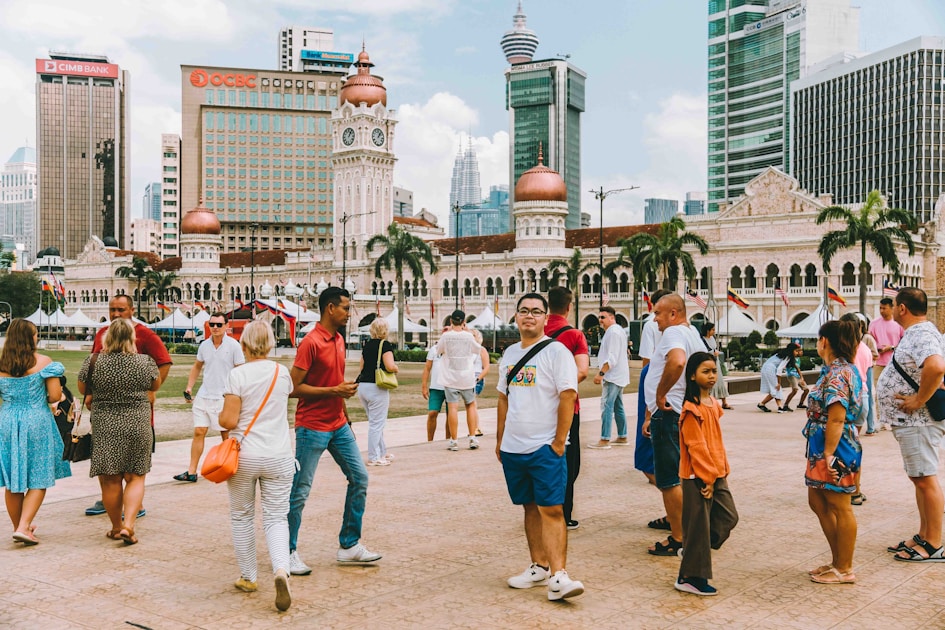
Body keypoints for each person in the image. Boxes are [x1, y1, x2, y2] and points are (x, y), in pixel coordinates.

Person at [287, 287, 381, 576]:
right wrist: (334, 391)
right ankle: (287, 551)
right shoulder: (311, 342)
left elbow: (336, 382)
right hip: (311, 427)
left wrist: (345, 415)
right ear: (330, 308)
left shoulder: (339, 340)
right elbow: (292, 388)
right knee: (300, 491)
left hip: (338, 424)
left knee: (360, 477)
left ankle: (349, 545)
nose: (349, 313)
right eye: (345, 308)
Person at [497, 293, 583, 601]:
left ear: (546, 318)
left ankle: (559, 575)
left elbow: (568, 395)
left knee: (552, 508)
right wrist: (499, 439)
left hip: (544, 446)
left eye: (536, 311)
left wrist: (559, 441)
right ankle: (539, 566)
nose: (529, 316)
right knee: (529, 506)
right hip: (513, 447)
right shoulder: (508, 354)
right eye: (523, 311)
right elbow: (504, 398)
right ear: (516, 316)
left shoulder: (557, 352)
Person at [218, 320, 295, 612]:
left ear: (244, 344)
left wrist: (219, 414)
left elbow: (228, 421)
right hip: (278, 454)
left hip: (244, 455)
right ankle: (280, 569)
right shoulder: (282, 372)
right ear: (271, 343)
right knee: (277, 517)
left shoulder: (237, 375)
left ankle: (249, 576)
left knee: (242, 516)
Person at [84, 295, 171, 517]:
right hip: (105, 411)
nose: (115, 314)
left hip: (135, 410)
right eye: (112, 309)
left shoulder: (145, 334)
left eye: (121, 309)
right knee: (107, 464)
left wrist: (151, 390)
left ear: (132, 310)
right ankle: (111, 500)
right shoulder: (102, 333)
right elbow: (93, 364)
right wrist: (90, 393)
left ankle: (133, 505)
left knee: (134, 466)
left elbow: (164, 362)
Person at [875, 288, 945, 562]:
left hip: (919, 421)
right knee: (920, 478)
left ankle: (934, 543)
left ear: (902, 308)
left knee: (926, 479)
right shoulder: (920, 334)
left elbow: (936, 367)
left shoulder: (922, 333)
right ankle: (925, 534)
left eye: (893, 306)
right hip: (913, 422)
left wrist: (918, 399)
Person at [78, 318, 160, 545]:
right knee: (135, 476)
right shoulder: (145, 362)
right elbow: (155, 385)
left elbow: (83, 389)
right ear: (132, 338)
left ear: (107, 337)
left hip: (105, 425)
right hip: (138, 423)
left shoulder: (94, 361)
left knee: (111, 480)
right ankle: (129, 525)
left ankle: (115, 527)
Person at [642, 294, 704, 556]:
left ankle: (679, 538)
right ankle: (689, 527)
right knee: (684, 475)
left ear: (674, 314)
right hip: (681, 412)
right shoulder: (693, 334)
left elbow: (677, 361)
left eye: (658, 313)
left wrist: (660, 395)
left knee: (668, 479)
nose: (654, 318)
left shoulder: (673, 333)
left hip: (668, 414)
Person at [0, 319, 69, 545]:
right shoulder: (44, 362)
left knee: (13, 479)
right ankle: (23, 526)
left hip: (7, 420)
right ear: (30, 337)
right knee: (39, 476)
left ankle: (21, 527)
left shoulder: (1, 363)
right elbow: (54, 396)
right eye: (36, 334)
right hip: (36, 419)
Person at [803, 319, 862, 584]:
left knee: (839, 504)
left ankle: (845, 567)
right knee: (818, 500)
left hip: (835, 446)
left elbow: (837, 417)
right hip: (823, 444)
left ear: (824, 341)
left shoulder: (839, 373)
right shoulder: (835, 370)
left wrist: (828, 454)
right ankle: (837, 559)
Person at [675, 351, 738, 596]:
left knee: (728, 517)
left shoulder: (712, 405)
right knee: (699, 527)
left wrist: (720, 471)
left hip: (715, 473)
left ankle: (692, 549)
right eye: (706, 371)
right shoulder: (692, 409)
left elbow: (715, 442)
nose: (712, 376)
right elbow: (696, 447)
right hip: (697, 477)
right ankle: (690, 577)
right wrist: (707, 477)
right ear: (692, 375)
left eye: (714, 371)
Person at [174, 312, 245, 482]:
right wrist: (189, 387)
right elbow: (197, 366)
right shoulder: (204, 345)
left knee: (225, 435)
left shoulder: (234, 346)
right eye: (212, 324)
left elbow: (241, 372)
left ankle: (230, 467)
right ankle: (191, 472)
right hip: (204, 395)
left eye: (219, 325)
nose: (215, 328)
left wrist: (237, 396)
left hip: (224, 397)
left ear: (227, 326)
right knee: (199, 431)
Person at [545, 286, 590, 530]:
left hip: (538, 409)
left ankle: (540, 509)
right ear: (569, 307)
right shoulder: (574, 335)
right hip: (567, 409)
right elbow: (581, 371)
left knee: (540, 458)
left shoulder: (536, 331)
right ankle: (563, 514)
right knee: (568, 462)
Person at [637, 288, 672, 534]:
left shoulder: (652, 325)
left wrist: (652, 401)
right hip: (668, 387)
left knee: (648, 459)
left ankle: (677, 512)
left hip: (657, 386)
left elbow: (649, 362)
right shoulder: (688, 331)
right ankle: (676, 512)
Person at [436, 310, 482, 451]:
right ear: (463, 321)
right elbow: (477, 349)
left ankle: (454, 440)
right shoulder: (468, 336)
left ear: (451, 321)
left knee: (453, 408)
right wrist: (467, 331)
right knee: (470, 406)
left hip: (450, 377)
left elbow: (439, 350)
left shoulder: (446, 336)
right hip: (466, 376)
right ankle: (472, 437)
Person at [357, 318, 398, 466]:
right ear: (385, 330)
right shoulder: (385, 345)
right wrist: (395, 368)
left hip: (363, 386)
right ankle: (374, 457)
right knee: (377, 424)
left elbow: (361, 366)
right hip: (377, 387)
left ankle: (382, 451)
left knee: (375, 422)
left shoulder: (366, 345)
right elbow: (389, 365)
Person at [589, 306, 630, 449]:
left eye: (603, 317)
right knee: (618, 406)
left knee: (606, 406)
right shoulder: (617, 331)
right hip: (619, 375)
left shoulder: (613, 332)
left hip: (613, 376)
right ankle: (622, 436)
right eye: (599, 317)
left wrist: (601, 374)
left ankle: (605, 439)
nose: (600, 320)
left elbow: (612, 357)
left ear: (612, 317)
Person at [869, 297, 905, 431]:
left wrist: (891, 347)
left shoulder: (898, 324)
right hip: (879, 362)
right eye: (880, 308)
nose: (882, 310)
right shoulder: (874, 324)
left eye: (884, 308)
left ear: (891, 308)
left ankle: (894, 418)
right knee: (879, 390)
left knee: (895, 391)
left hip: (895, 363)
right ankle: (880, 419)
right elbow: (870, 341)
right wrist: (877, 349)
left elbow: (903, 342)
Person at [757, 344, 799, 413]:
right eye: (796, 351)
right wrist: (779, 382)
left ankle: (777, 406)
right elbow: (779, 370)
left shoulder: (781, 353)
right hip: (770, 369)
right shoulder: (787, 356)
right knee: (776, 388)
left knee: (775, 389)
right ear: (792, 350)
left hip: (765, 368)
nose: (797, 353)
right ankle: (773, 406)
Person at [699, 322, 731, 410]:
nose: (714, 331)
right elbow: (703, 351)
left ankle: (724, 402)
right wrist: (712, 353)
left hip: (715, 362)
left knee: (720, 380)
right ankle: (711, 402)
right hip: (708, 361)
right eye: (712, 329)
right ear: (708, 330)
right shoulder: (702, 340)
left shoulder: (712, 338)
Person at [421, 335, 447, 441]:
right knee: (432, 413)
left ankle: (449, 439)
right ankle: (430, 440)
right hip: (436, 387)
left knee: (451, 415)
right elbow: (427, 368)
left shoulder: (454, 349)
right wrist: (424, 386)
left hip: (450, 386)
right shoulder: (434, 349)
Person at [860, 318, 880, 435]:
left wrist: (865, 357)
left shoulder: (867, 338)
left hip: (867, 368)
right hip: (857, 368)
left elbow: (875, 355)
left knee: (868, 396)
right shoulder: (853, 340)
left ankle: (871, 426)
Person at [780, 346, 810, 411]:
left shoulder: (798, 359)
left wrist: (801, 378)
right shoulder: (791, 359)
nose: (801, 352)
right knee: (795, 390)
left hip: (798, 376)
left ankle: (800, 404)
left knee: (806, 390)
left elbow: (798, 369)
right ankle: (786, 405)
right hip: (792, 376)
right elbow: (797, 368)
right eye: (799, 351)